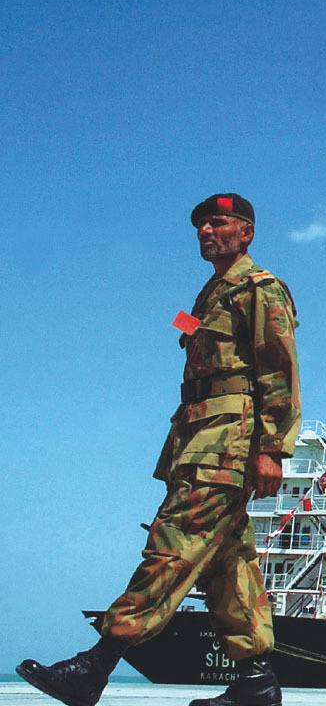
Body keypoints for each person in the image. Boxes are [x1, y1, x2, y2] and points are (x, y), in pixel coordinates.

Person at [17, 193, 301, 706]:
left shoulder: (259, 290)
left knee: (171, 548)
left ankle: (92, 668)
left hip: (227, 447)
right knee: (225, 565)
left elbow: (278, 370)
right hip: (198, 441)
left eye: (218, 222)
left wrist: (273, 448)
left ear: (246, 233)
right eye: (200, 225)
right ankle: (257, 683)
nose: (206, 231)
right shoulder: (208, 296)